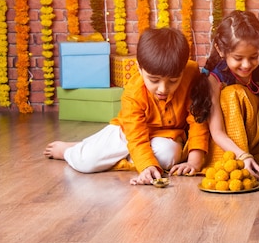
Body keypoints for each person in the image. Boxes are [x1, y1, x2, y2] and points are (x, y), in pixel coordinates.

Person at [44, 27, 211, 185]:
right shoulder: (133, 92)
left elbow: (197, 118)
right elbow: (136, 136)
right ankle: (71, 150)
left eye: (173, 81)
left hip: (166, 136)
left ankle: (108, 152)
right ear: (139, 68)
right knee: (86, 162)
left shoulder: (191, 73)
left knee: (169, 156)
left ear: (182, 70)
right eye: (153, 80)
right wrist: (146, 166)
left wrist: (194, 162)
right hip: (128, 131)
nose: (163, 89)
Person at [202, 10, 259, 178]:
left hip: (258, 135)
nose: (246, 65)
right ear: (220, 50)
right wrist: (242, 156)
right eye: (238, 58)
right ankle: (245, 160)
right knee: (233, 93)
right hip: (227, 144)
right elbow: (217, 131)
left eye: (254, 56)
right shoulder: (212, 78)